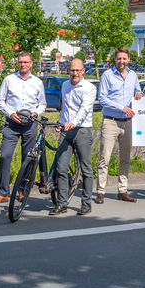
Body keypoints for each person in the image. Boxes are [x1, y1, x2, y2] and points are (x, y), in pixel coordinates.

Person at [0, 51, 46, 204]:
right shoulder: (9, 80)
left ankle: (22, 190)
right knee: (5, 156)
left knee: (27, 159)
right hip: (12, 124)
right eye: (20, 62)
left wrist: (36, 112)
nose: (23, 64)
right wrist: (10, 113)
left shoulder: (37, 82)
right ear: (18, 63)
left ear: (31, 63)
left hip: (30, 124)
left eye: (26, 62)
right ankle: (3, 193)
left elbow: (42, 103)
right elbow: (0, 101)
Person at [49, 58, 96, 216]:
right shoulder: (65, 85)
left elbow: (84, 109)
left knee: (86, 169)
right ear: (68, 70)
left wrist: (72, 123)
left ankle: (86, 203)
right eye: (72, 70)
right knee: (61, 169)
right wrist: (61, 123)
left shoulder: (89, 88)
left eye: (77, 70)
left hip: (82, 130)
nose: (74, 73)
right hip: (65, 130)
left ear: (83, 71)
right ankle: (62, 204)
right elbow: (65, 107)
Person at [96, 47, 143, 204]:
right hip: (111, 121)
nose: (121, 61)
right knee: (105, 158)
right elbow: (102, 98)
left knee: (125, 159)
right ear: (114, 59)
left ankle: (122, 191)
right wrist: (121, 107)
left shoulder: (133, 75)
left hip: (128, 123)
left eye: (124, 59)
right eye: (119, 59)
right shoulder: (107, 75)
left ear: (128, 59)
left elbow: (138, 90)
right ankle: (100, 192)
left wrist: (139, 94)